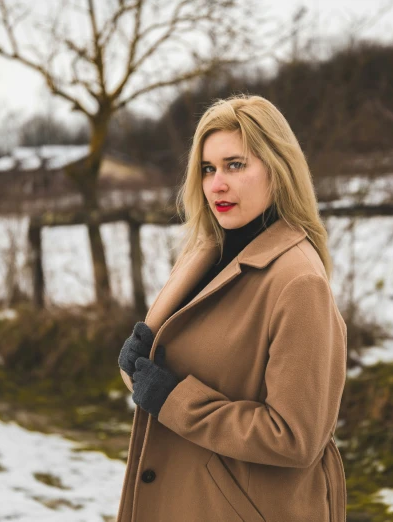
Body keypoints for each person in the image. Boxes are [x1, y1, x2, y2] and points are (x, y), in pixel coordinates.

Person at [116, 94, 347, 522]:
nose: (216, 184)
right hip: (183, 498)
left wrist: (172, 399)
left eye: (235, 165)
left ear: (277, 170)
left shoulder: (298, 282)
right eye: (208, 169)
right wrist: (142, 357)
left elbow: (296, 437)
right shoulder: (205, 253)